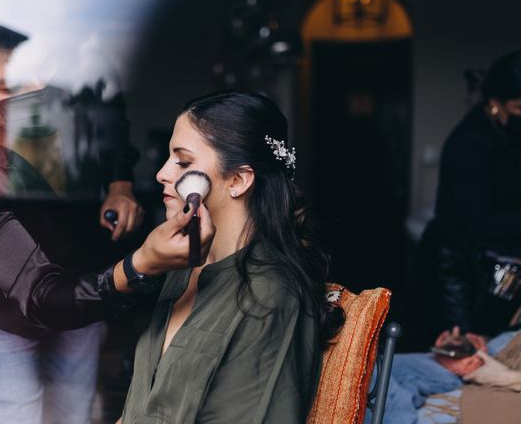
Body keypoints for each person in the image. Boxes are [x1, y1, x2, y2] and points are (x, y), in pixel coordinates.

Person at [0, 0, 214, 424]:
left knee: (73, 416)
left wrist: (119, 185)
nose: (39, 95)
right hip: (0, 308)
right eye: (10, 90)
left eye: (39, 71)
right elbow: (41, 296)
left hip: (86, 272)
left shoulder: (67, 68)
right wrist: (140, 266)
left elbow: (108, 108)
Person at [119, 92, 344, 423]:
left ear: (238, 180)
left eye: (182, 161)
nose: (162, 174)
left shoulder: (270, 296)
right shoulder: (183, 269)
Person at [416, 50, 521, 338]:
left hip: (493, 262)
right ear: (496, 102)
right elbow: (479, 224)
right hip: (456, 269)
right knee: (463, 352)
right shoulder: (469, 144)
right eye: (518, 106)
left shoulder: (509, 135)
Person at [365, 326, 521, 424]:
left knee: (373, 376)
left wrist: (506, 377)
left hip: (495, 372)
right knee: (371, 367)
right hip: (488, 352)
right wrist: (465, 343)